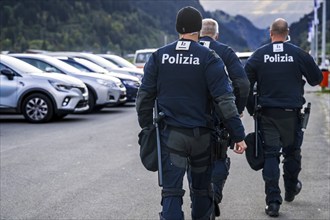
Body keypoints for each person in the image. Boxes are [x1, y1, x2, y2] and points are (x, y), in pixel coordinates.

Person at [136, 6, 247, 220]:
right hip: (202, 137)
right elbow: (224, 100)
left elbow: (144, 97)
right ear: (198, 29)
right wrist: (238, 135)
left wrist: (147, 127)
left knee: (171, 192)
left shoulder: (160, 56)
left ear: (177, 27)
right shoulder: (209, 57)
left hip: (171, 136)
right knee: (202, 192)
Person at [244, 18, 323, 217]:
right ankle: (290, 189)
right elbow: (317, 79)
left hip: (268, 113)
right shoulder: (298, 54)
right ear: (287, 34)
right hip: (291, 114)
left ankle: (273, 202)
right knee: (292, 152)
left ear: (271, 34)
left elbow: (244, 85)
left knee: (271, 155)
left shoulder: (259, 55)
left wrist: (253, 109)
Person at [199, 18, 250, 217]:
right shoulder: (226, 51)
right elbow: (243, 84)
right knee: (219, 156)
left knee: (195, 161)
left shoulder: (191, 50)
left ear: (198, 32)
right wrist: (237, 110)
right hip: (220, 115)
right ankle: (214, 192)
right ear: (217, 35)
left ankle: (201, 198)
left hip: (191, 116)